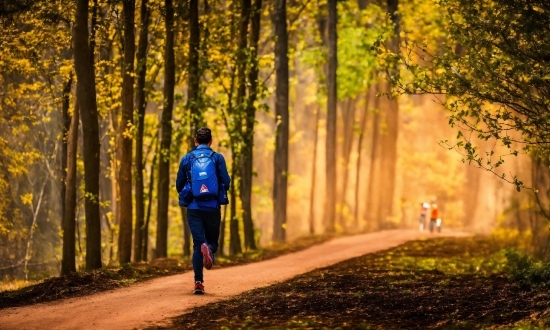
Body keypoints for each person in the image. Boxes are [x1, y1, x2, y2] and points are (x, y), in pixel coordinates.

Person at [175, 127, 231, 294]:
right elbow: (226, 182)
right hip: (213, 207)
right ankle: (209, 250)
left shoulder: (186, 159)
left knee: (197, 244)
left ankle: (198, 282)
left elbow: (179, 185)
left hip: (194, 208)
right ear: (211, 141)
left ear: (195, 141)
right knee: (212, 243)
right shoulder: (217, 158)